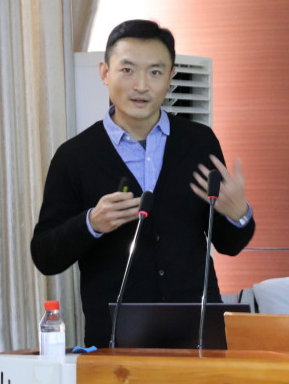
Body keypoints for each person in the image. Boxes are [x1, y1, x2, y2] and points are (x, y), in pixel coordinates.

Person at [31, 19, 255, 347]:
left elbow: (228, 244)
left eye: (155, 72)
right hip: (116, 342)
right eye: (127, 70)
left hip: (198, 337)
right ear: (105, 73)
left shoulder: (198, 142)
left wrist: (238, 215)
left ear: (170, 77)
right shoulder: (74, 156)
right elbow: (45, 255)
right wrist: (91, 223)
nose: (141, 85)